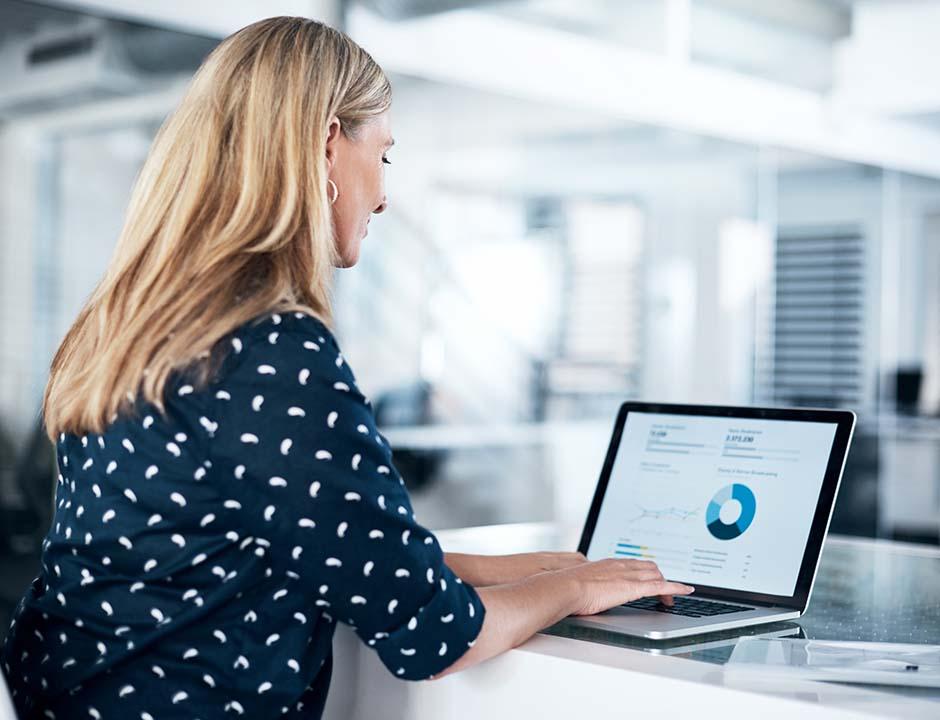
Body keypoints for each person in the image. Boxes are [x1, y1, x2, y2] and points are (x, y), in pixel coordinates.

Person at [0, 16, 693, 719]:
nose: (385, 195)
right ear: (329, 143)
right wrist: (577, 590)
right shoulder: (269, 350)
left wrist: (526, 568)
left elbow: (294, 550)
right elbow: (437, 636)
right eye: (384, 155)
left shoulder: (124, 328)